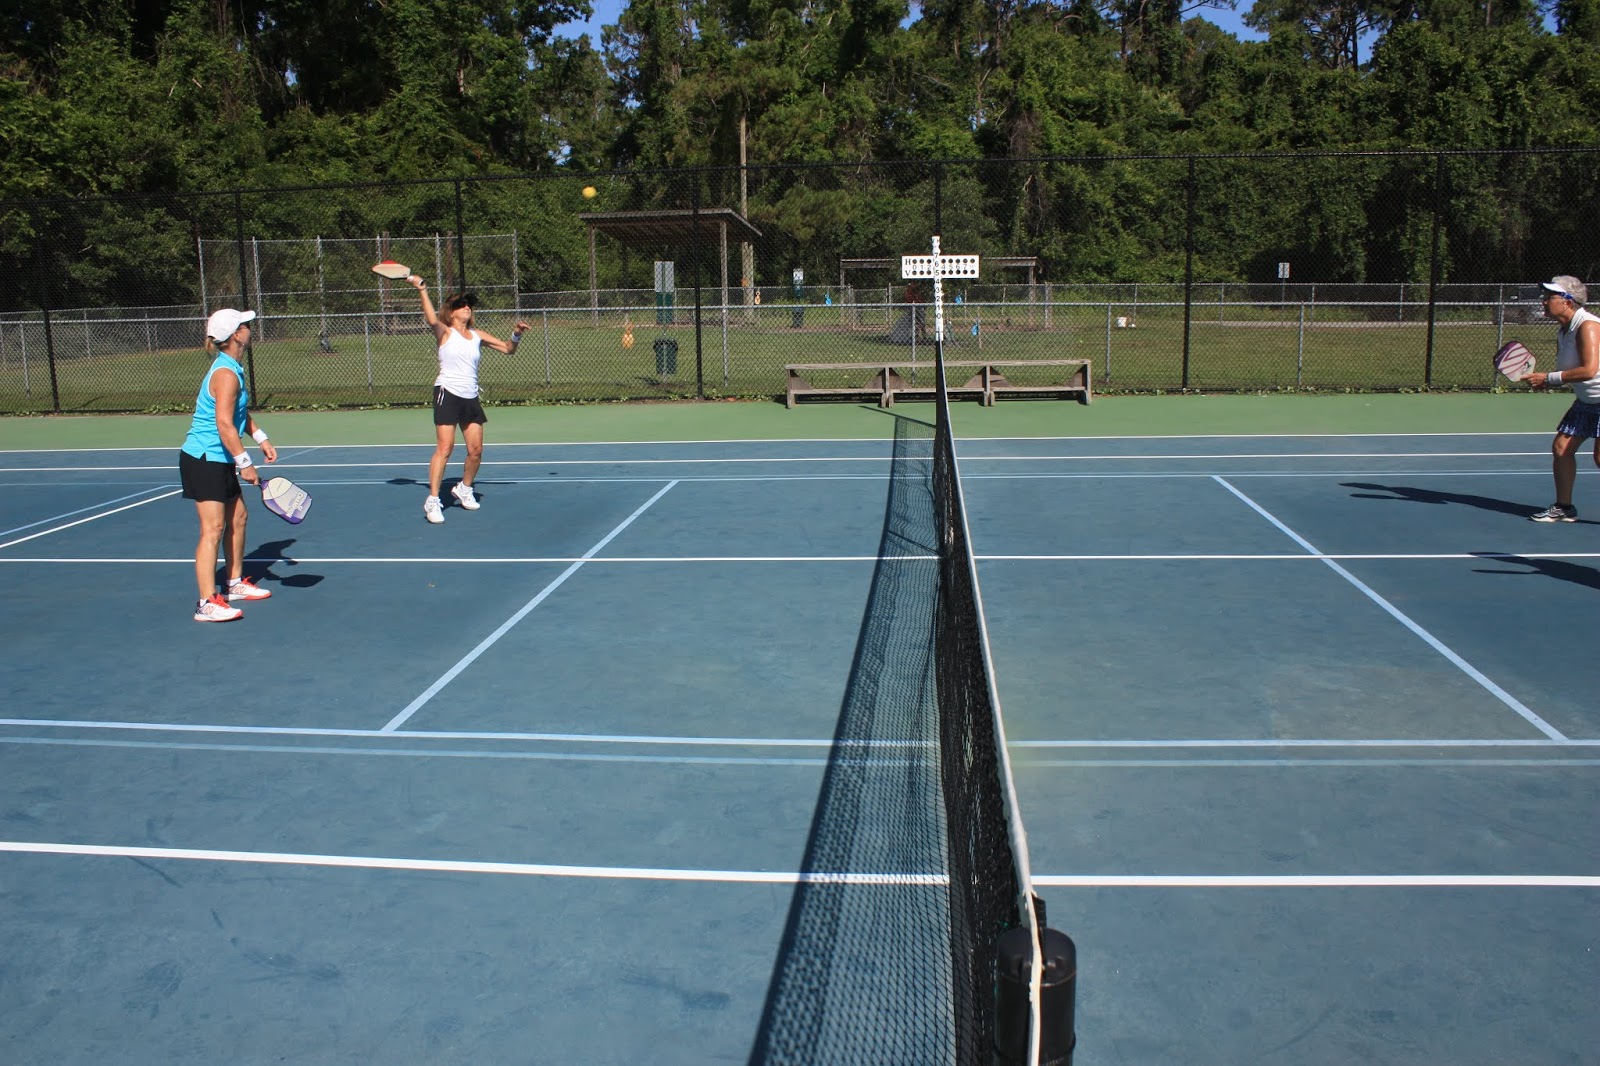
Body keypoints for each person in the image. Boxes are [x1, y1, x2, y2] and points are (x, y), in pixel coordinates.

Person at [179, 308, 277, 622]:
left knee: (239, 518)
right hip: (204, 458)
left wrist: (260, 437)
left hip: (220, 457)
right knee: (213, 529)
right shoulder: (225, 374)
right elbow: (223, 423)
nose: (250, 328)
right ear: (236, 334)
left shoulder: (232, 368)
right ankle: (206, 602)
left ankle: (234, 583)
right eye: (245, 325)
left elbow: (238, 414)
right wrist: (245, 462)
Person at [407, 274, 529, 524]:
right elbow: (431, 318)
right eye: (461, 305)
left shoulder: (477, 335)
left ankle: (464, 488)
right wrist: (422, 289)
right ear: (451, 312)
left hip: (470, 396)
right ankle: (432, 500)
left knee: (475, 451)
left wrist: (516, 334)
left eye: (469, 306)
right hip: (447, 393)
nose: (466, 308)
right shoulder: (444, 332)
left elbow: (508, 349)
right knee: (446, 448)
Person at [1525, 275, 1600, 522]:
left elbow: (1589, 369)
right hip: (1588, 401)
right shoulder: (1563, 331)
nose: (1544, 302)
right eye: (1544, 297)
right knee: (1562, 448)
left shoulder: (1588, 326)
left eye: (1550, 297)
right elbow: (1571, 374)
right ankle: (1564, 506)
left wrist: (1550, 378)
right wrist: (1546, 381)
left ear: (1568, 302)